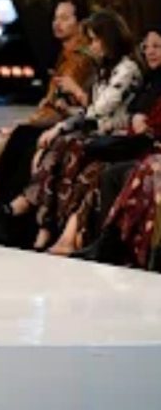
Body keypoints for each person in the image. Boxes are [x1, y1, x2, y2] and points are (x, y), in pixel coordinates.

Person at [5, 9, 143, 251]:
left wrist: (63, 123)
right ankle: (45, 225)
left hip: (118, 140)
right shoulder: (105, 69)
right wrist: (66, 115)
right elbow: (91, 112)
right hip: (101, 135)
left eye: (95, 40)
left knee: (68, 145)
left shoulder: (127, 69)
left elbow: (98, 110)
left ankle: (37, 214)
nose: (92, 46)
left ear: (108, 38)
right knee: (57, 145)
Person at [0, 0, 94, 203]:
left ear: (80, 23)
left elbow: (59, 109)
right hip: (53, 120)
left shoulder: (81, 60)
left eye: (64, 18)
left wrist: (27, 123)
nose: (57, 23)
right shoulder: (65, 55)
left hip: (64, 124)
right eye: (55, 18)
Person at [47, 25, 161, 257]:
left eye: (157, 47)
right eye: (146, 47)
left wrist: (77, 96)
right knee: (69, 149)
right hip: (127, 140)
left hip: (138, 144)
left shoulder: (128, 70)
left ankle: (77, 236)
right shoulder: (142, 78)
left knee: (93, 161)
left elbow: (102, 111)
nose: (150, 52)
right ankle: (57, 228)